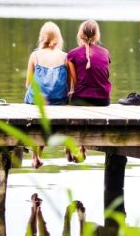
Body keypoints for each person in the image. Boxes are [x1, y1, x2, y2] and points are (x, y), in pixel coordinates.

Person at [24, 21, 70, 168]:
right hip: (59, 100)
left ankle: (35, 156)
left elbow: (28, 83)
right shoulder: (65, 57)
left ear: (41, 38)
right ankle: (39, 156)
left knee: (36, 105)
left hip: (38, 101)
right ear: (58, 39)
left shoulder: (35, 55)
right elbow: (68, 85)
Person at [67, 20, 112, 162]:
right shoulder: (105, 53)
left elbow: (75, 83)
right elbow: (104, 76)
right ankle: (82, 148)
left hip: (81, 98)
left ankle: (73, 148)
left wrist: (71, 93)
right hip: (103, 100)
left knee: (72, 104)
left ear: (80, 35)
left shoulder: (72, 54)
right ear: (97, 36)